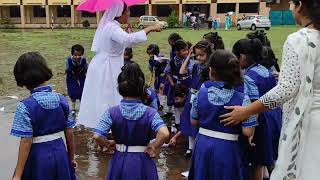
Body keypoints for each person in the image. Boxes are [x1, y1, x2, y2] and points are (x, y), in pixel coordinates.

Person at [220, 1, 320, 179]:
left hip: (309, 123)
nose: (290, 9)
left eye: (291, 3)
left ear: (301, 6)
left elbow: (286, 90)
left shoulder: (299, 39)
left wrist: (246, 111)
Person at [77, 1, 162, 128]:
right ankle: (107, 125)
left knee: (108, 95)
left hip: (107, 64)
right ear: (119, 13)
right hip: (106, 67)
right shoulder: (112, 27)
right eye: (127, 11)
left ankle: (107, 125)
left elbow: (127, 41)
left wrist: (131, 32)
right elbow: (127, 40)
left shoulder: (112, 26)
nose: (129, 13)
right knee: (107, 95)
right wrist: (149, 28)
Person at [188, 50, 257, 180]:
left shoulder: (201, 92)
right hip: (228, 148)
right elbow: (248, 131)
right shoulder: (243, 98)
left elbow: (193, 121)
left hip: (202, 144)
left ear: (211, 71)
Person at [93, 63, 169, 180]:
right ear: (142, 88)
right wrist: (154, 146)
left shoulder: (111, 112)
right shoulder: (150, 113)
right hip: (143, 160)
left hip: (119, 159)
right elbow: (164, 133)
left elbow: (97, 136)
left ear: (120, 89)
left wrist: (108, 145)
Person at [11, 52, 77, 180]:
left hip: (37, 157)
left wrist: (17, 175)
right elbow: (69, 132)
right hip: (60, 153)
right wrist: (71, 158)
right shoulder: (62, 100)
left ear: (23, 79)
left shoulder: (25, 106)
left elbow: (26, 141)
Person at [232, 38, 282, 180]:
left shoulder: (248, 77)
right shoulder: (265, 70)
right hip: (274, 116)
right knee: (270, 156)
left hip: (260, 119)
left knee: (256, 161)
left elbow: (253, 104)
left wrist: (250, 133)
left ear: (241, 57)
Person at [179, 40, 212, 156]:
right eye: (196, 55)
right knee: (189, 121)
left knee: (199, 122)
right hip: (192, 96)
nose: (198, 57)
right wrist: (188, 56)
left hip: (203, 96)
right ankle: (190, 147)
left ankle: (198, 147)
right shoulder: (196, 66)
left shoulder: (210, 68)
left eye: (201, 55)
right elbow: (182, 71)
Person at [65, 44, 88, 114]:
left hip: (81, 78)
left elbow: (87, 69)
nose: (77, 57)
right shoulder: (68, 60)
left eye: (79, 55)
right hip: (72, 78)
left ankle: (82, 107)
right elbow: (66, 70)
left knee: (82, 92)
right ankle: (73, 108)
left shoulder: (84, 60)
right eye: (75, 55)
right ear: (72, 54)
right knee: (72, 93)